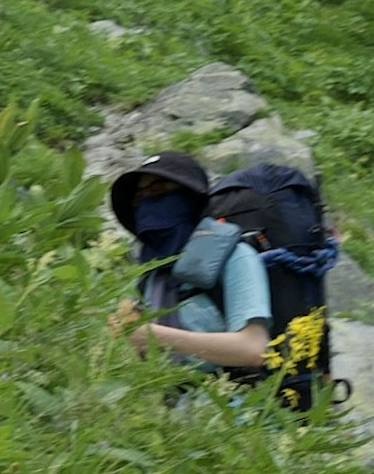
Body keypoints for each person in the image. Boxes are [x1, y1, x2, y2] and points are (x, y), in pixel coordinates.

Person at [107, 152, 280, 380]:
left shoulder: (236, 258)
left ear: (188, 198)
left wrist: (154, 337)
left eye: (157, 191)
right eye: (139, 199)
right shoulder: (150, 276)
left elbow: (253, 348)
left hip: (233, 408)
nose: (146, 204)